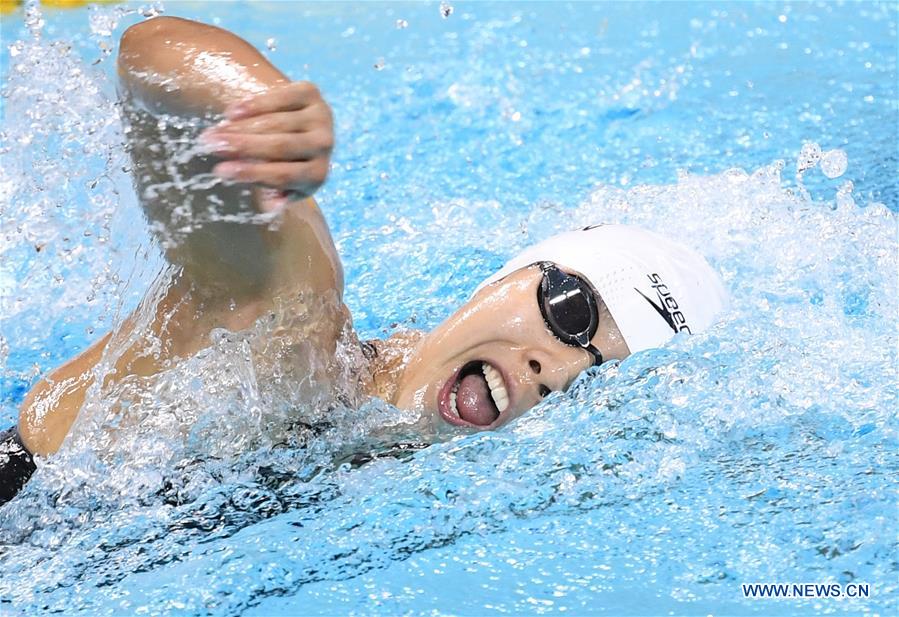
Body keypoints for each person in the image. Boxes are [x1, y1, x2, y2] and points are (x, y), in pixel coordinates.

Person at [0, 16, 728, 506]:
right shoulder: (296, 323)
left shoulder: (402, 464)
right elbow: (148, 52)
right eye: (572, 315)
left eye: (594, 383)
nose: (557, 370)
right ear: (512, 274)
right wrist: (260, 105)